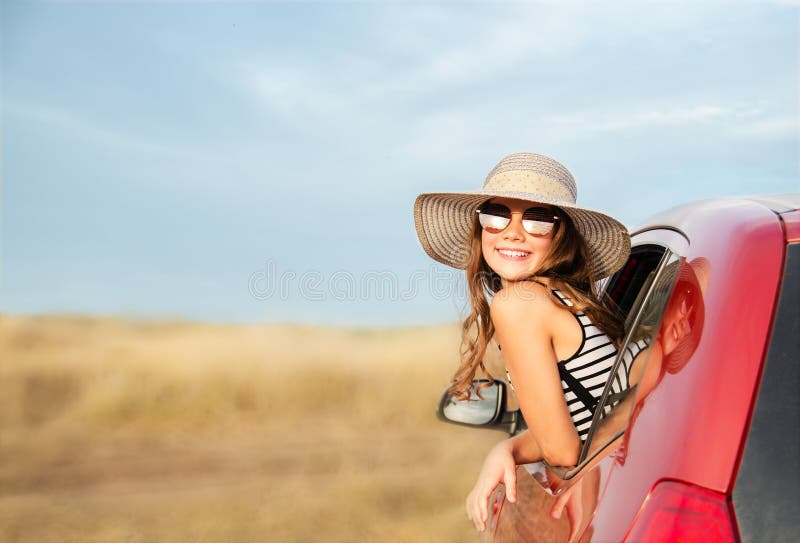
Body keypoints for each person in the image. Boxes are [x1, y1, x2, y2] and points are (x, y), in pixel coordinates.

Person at [413, 152, 635, 533]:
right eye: (496, 215)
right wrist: (511, 448)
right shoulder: (565, 299)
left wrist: (512, 448)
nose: (513, 232)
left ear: (561, 235)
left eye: (537, 220)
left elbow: (563, 452)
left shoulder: (518, 305)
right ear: (480, 228)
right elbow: (645, 363)